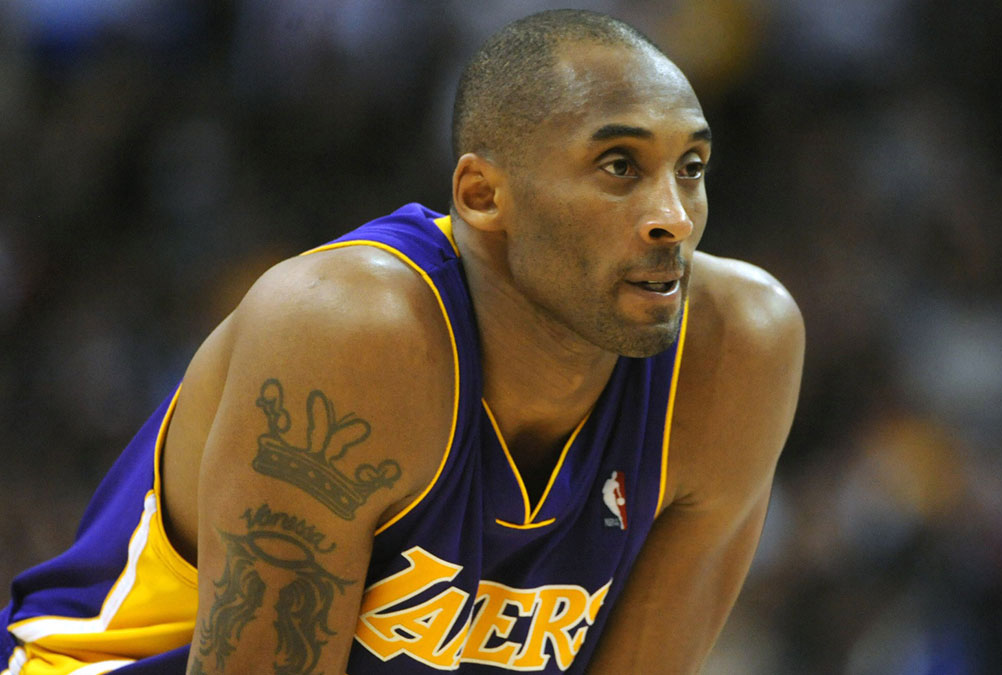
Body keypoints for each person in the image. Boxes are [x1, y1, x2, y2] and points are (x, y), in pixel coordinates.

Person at [1, 9, 804, 674]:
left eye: (692, 166)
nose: (673, 215)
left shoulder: (739, 350)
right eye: (619, 166)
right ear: (483, 196)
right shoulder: (348, 332)